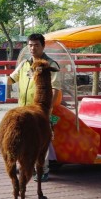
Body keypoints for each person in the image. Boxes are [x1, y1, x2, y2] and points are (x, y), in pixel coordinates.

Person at [8, 33, 61, 182]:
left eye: (36, 45)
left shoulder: (50, 64)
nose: (32, 48)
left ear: (43, 46)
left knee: (42, 140)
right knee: (24, 138)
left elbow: (56, 88)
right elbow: (11, 79)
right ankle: (25, 167)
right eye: (30, 45)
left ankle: (43, 170)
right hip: (23, 109)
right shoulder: (25, 63)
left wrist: (49, 109)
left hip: (41, 111)